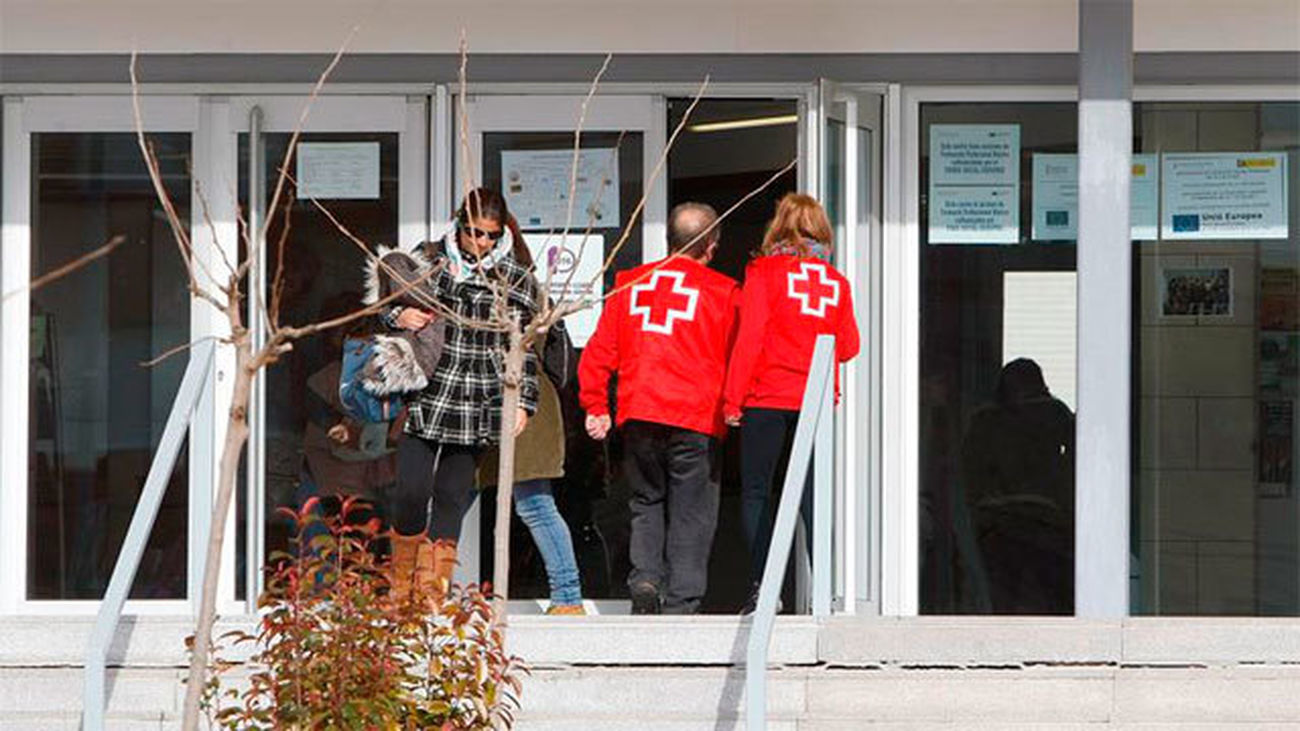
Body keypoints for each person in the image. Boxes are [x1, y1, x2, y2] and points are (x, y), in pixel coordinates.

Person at [378, 187, 541, 605]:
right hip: (428, 390)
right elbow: (384, 304)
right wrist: (400, 315)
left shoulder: (516, 278)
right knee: (411, 492)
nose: (482, 243)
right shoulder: (428, 261)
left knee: (452, 495)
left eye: (491, 234)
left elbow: (523, 347)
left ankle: (431, 593)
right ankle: (400, 586)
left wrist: (522, 400)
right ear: (457, 224)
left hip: (479, 395)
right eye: (473, 233)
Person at [579, 202, 740, 614]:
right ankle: (682, 602)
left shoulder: (630, 284)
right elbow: (740, 357)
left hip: (641, 412)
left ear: (670, 239)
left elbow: (599, 352)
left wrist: (596, 403)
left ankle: (646, 579)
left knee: (645, 501)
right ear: (711, 245)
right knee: (692, 510)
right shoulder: (724, 293)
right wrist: (736, 405)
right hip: (696, 417)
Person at [722, 193, 860, 614]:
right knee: (812, 497)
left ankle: (767, 590)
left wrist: (733, 399)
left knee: (758, 494)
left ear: (778, 227)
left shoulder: (763, 273)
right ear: (821, 230)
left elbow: (750, 339)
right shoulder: (835, 282)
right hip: (814, 401)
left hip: (766, 396)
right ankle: (826, 592)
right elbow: (850, 346)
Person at [478, 309, 587, 615]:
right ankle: (567, 597)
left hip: (520, 405)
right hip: (515, 402)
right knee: (530, 503)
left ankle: (567, 596)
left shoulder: (512, 295)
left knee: (534, 503)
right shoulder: (536, 296)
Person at [959, 358, 1074, 614]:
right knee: (1053, 599)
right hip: (1047, 518)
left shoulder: (985, 418)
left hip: (996, 520)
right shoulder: (1055, 412)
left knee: (1004, 600)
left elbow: (969, 469)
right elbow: (1080, 460)